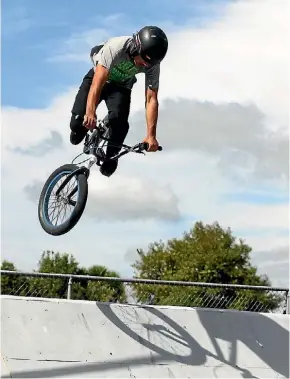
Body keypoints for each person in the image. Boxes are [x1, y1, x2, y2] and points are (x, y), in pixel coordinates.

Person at [69, 25, 168, 177]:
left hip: (121, 86)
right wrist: (90, 112)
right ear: (136, 48)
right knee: (77, 124)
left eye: (149, 65)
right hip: (99, 79)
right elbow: (97, 82)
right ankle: (80, 129)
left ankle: (110, 156)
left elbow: (151, 99)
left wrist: (151, 135)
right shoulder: (116, 47)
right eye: (143, 62)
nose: (145, 66)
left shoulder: (152, 64)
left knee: (120, 125)